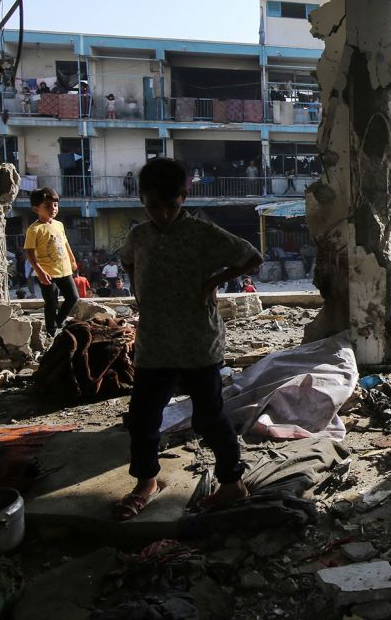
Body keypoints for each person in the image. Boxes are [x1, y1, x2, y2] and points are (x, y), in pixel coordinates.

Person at [113, 157, 263, 520]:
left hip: (198, 341)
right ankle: (147, 482)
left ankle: (232, 483)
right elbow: (129, 262)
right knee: (144, 418)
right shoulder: (139, 236)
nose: (162, 214)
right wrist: (139, 293)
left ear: (184, 197)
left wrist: (213, 282)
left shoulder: (202, 233)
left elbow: (251, 257)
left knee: (209, 418)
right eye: (153, 207)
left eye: (171, 206)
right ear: (142, 201)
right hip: (155, 342)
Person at [24, 187, 80, 337]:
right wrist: (40, 272)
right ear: (36, 209)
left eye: (55, 205)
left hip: (64, 269)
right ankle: (51, 331)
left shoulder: (58, 225)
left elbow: (65, 243)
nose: (53, 209)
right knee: (51, 303)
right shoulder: (34, 229)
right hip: (47, 272)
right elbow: (29, 252)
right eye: (47, 206)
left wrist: (73, 260)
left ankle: (58, 321)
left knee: (73, 297)